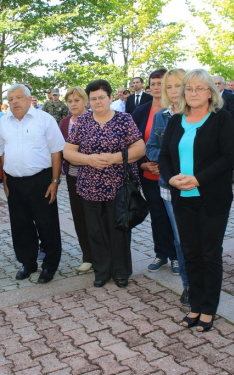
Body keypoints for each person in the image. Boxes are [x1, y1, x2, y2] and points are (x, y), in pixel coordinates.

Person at [159, 69, 234, 332]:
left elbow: (227, 158)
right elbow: (165, 157)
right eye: (189, 89)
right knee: (190, 252)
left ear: (211, 92)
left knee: (209, 254)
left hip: (212, 198)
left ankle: (209, 309)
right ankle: (195, 304)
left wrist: (198, 179)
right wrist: (171, 179)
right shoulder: (175, 120)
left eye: (199, 88)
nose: (193, 93)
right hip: (182, 198)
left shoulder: (221, 118)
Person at [63, 79, 145, 288]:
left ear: (110, 97)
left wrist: (113, 157)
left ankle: (121, 271)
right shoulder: (81, 122)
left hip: (119, 186)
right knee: (95, 230)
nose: (97, 102)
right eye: (93, 99)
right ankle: (101, 271)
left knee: (119, 229)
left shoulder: (124, 120)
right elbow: (68, 151)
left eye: (101, 97)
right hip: (89, 186)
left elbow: (139, 149)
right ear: (88, 101)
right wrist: (89, 159)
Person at [0, 84, 64, 284]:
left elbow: (56, 151)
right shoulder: (3, 123)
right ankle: (28, 263)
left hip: (41, 180)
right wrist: (6, 183)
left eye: (19, 97)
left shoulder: (44, 119)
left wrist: (55, 181)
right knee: (21, 226)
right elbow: (1, 152)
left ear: (28, 98)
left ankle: (50, 265)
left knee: (47, 225)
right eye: (11, 99)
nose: (14, 102)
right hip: (14, 182)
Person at [146, 68, 190, 306]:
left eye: (178, 85)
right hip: (169, 188)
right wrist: (167, 161)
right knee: (181, 238)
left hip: (197, 186)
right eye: (169, 87)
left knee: (199, 237)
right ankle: (188, 286)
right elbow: (150, 147)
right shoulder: (161, 116)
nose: (174, 91)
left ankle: (203, 281)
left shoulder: (201, 114)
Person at [131, 69, 178, 275]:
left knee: (174, 216)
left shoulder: (176, 110)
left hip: (173, 176)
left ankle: (178, 256)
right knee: (158, 216)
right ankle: (161, 253)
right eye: (154, 83)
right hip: (149, 173)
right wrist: (142, 164)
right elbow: (133, 142)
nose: (157, 88)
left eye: (161, 83)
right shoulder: (141, 111)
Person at [59, 87, 92, 273]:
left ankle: (102, 253)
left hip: (94, 175)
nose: (73, 104)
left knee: (96, 216)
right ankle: (87, 255)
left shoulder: (93, 118)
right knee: (79, 216)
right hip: (73, 176)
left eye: (77, 100)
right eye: (70, 100)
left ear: (85, 101)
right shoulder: (64, 123)